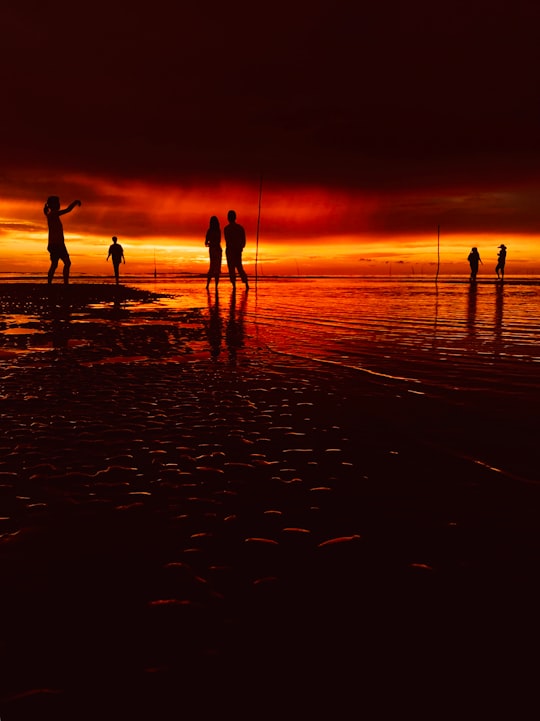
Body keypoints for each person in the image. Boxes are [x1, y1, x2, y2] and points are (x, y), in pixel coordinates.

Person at [43, 196, 81, 284]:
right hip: (57, 245)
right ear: (53, 204)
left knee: (56, 264)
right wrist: (75, 202)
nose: (59, 204)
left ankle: (54, 283)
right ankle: (63, 283)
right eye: (57, 203)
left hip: (57, 244)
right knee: (65, 263)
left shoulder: (51, 215)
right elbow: (68, 210)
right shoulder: (53, 214)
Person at [224, 209, 249, 289]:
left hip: (230, 251)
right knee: (239, 267)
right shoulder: (240, 228)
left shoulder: (226, 229)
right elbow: (243, 241)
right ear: (235, 217)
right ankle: (246, 284)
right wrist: (240, 247)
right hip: (237, 251)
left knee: (231, 269)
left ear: (228, 218)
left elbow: (227, 240)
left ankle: (234, 286)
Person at [205, 216, 222, 290]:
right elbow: (219, 241)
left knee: (212, 267)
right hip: (217, 249)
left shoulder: (209, 231)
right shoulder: (218, 230)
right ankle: (216, 285)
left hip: (212, 250)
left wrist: (210, 244)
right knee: (217, 268)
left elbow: (206, 242)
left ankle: (208, 285)